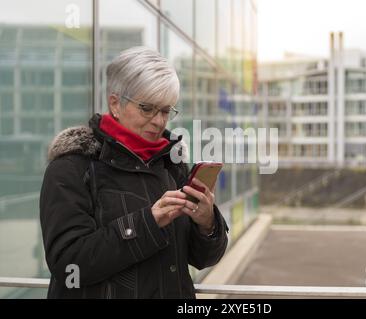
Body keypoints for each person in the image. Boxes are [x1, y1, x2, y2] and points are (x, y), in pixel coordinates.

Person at [40, 47, 228, 299]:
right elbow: (68, 265)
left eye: (165, 110)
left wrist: (206, 223)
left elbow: (203, 259)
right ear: (115, 103)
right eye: (147, 108)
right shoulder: (73, 166)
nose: (159, 121)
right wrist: (146, 224)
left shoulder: (171, 163)